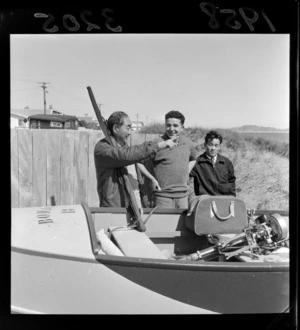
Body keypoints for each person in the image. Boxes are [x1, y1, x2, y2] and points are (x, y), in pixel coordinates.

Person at [94, 111, 177, 207]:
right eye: (128, 127)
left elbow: (137, 160)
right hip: (117, 208)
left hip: (134, 206)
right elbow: (127, 155)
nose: (130, 132)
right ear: (116, 128)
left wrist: (152, 178)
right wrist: (159, 145)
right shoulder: (103, 149)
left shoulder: (123, 146)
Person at [145, 110, 197, 209]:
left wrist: (187, 171)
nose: (171, 129)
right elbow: (139, 162)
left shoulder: (188, 143)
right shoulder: (157, 143)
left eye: (175, 125)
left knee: (182, 224)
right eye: (168, 125)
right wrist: (152, 179)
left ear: (182, 127)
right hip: (162, 197)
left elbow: (193, 159)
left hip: (183, 197)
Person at [190, 130, 236, 197]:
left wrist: (232, 198)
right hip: (204, 202)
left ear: (219, 146)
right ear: (205, 145)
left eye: (216, 145)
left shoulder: (227, 163)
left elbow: (231, 182)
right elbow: (183, 175)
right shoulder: (197, 163)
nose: (213, 148)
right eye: (210, 145)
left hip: (223, 200)